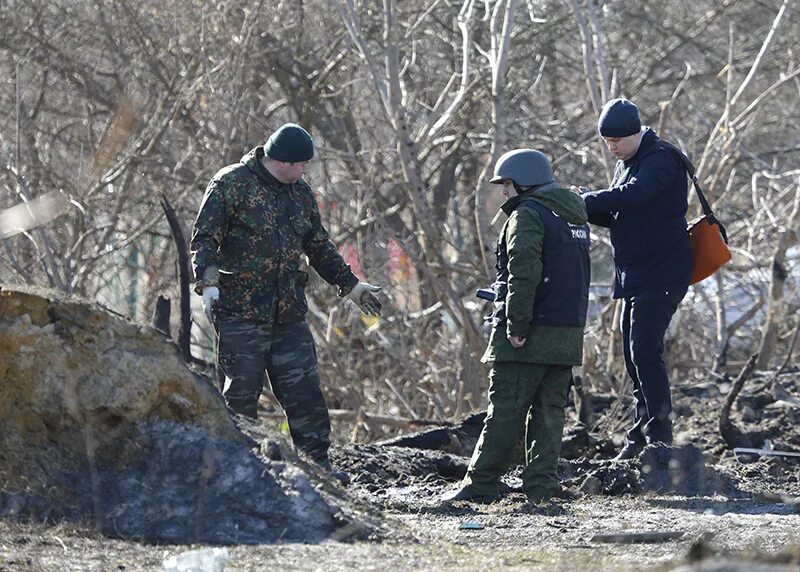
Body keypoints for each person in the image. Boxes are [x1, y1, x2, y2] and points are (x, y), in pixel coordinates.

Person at [190, 123, 382, 469]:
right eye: (302, 165)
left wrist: (351, 286)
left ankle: (318, 468)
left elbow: (318, 248)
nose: (305, 170)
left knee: (305, 395)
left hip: (288, 313)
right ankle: (237, 470)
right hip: (240, 312)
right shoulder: (231, 184)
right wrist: (208, 283)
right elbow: (204, 239)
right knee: (240, 399)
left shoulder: (300, 194)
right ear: (285, 161)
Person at [444, 149, 590, 504]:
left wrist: (516, 325)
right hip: (567, 335)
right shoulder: (574, 217)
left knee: (506, 409)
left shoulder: (527, 216)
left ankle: (481, 484)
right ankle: (540, 488)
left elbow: (524, 273)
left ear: (523, 182)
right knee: (550, 412)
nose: (503, 192)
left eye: (506, 184)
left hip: (531, 334)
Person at [578, 98, 692, 461]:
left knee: (645, 350)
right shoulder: (625, 163)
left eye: (617, 141)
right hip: (635, 274)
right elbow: (617, 214)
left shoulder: (661, 159)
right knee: (633, 356)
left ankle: (659, 438)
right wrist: (581, 204)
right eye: (607, 142)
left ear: (635, 132)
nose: (612, 148)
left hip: (663, 272)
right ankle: (640, 438)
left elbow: (635, 195)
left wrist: (585, 201)